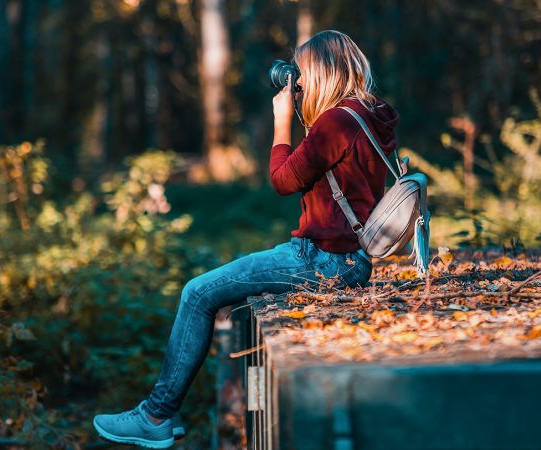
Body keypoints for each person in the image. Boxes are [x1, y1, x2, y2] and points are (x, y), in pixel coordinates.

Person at [91, 29, 400, 448]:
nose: (300, 82)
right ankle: (158, 414)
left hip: (322, 260)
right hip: (352, 259)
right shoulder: (371, 113)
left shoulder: (336, 122)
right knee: (220, 286)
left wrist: (281, 121)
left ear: (323, 71)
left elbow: (283, 180)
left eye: (304, 73)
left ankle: (156, 415)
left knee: (197, 293)